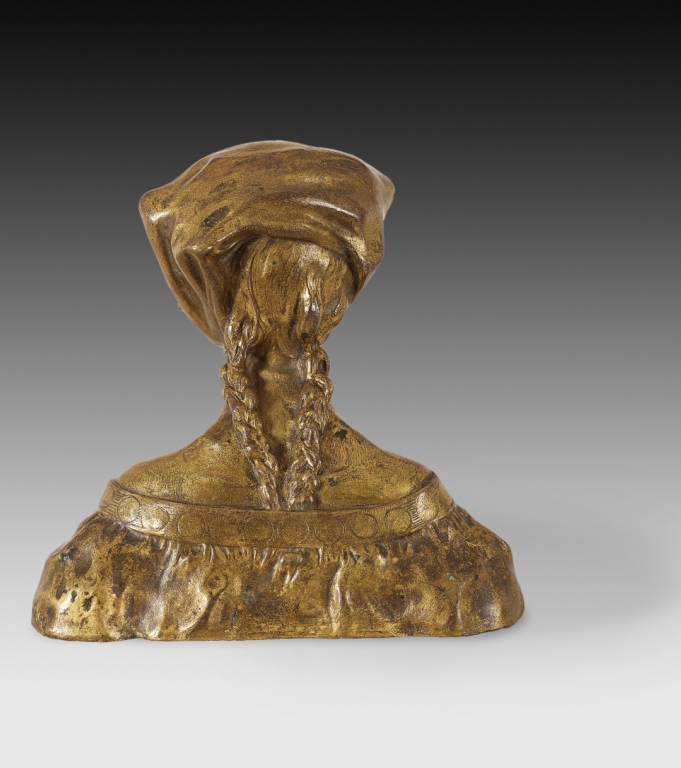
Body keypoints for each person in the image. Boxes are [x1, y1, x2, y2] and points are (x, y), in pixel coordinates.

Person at [32, 141, 523, 640]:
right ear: (342, 299)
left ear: (218, 303)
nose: (302, 301)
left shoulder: (140, 512)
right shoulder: (415, 505)